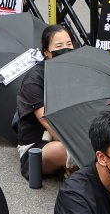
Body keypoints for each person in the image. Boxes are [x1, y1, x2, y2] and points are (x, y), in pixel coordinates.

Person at [14, 25, 73, 179]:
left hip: (70, 134)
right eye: (59, 46)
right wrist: (80, 146)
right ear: (46, 52)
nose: (65, 49)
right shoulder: (34, 80)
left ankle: (73, 166)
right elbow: (48, 123)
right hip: (38, 144)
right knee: (63, 150)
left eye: (69, 44)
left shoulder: (75, 71)